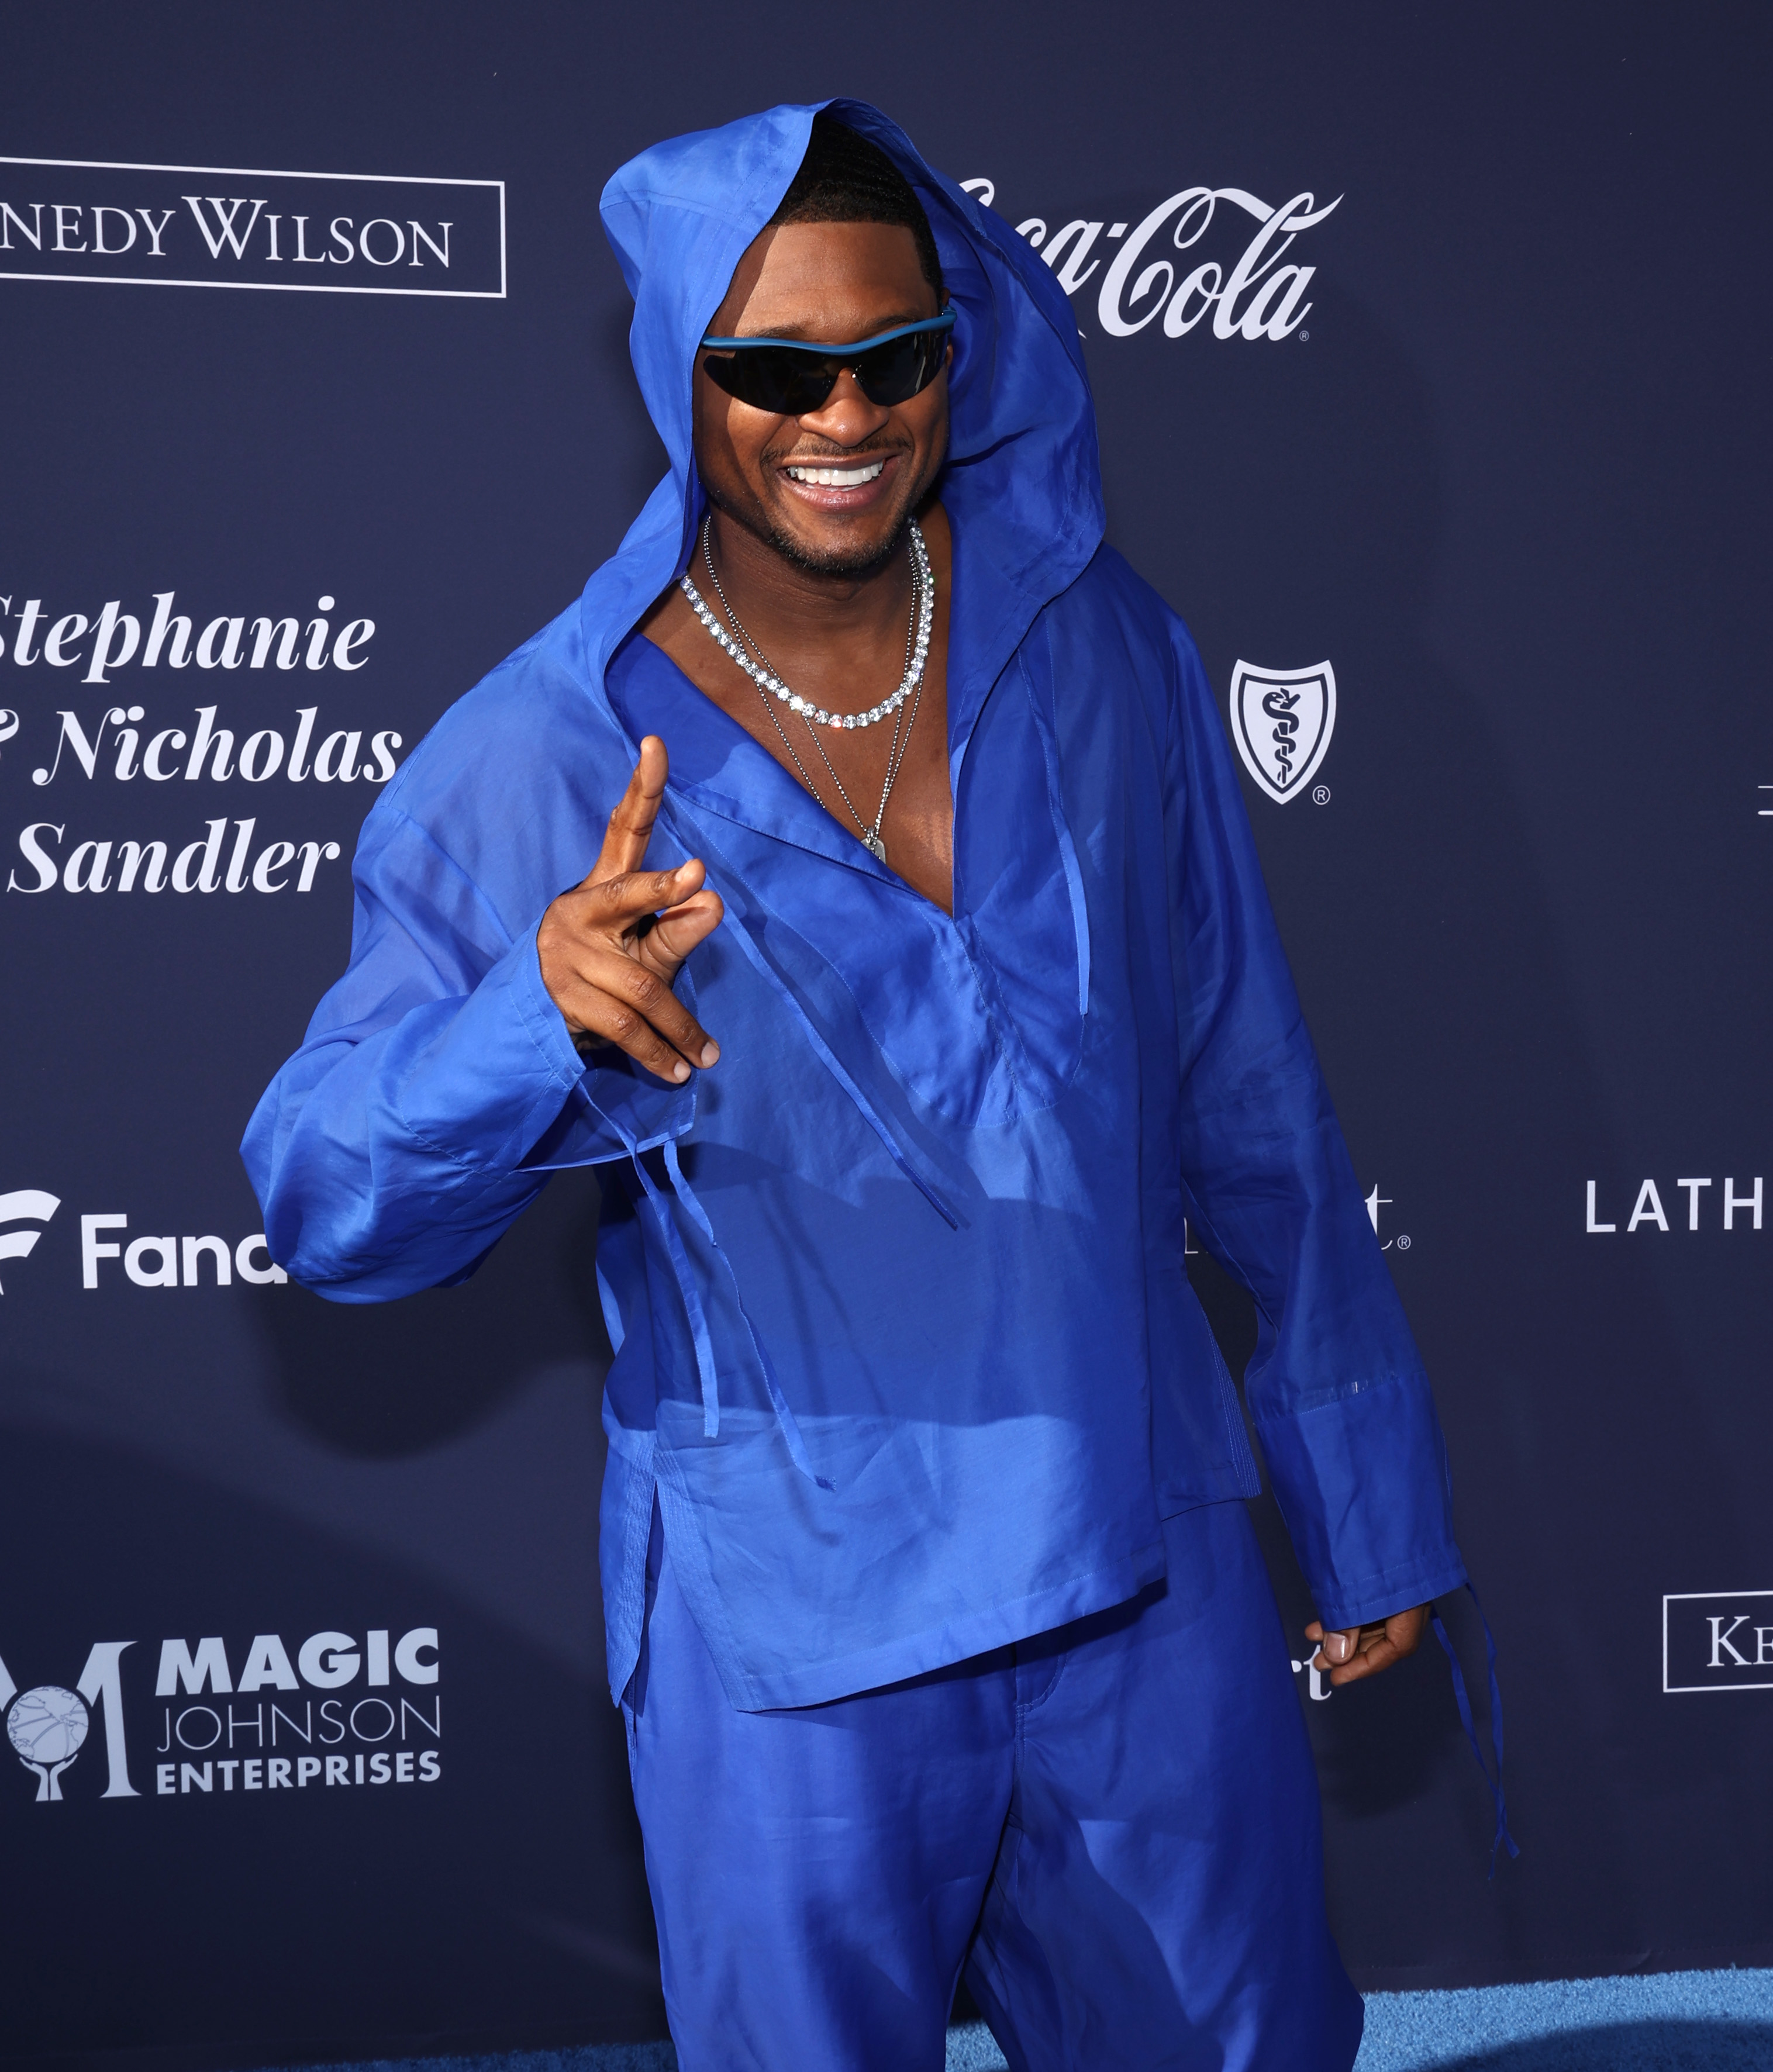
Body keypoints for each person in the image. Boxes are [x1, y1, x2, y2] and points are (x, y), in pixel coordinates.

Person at [246, 103, 1476, 2072]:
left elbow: (1256, 1094)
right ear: (681, 373)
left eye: (897, 354)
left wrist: (1366, 1501)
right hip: (795, 1634)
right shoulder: (546, 745)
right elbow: (322, 1204)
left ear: (955, 351)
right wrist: (523, 1016)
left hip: (1144, 1554)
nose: (848, 411)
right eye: (777, 368)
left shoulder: (1102, 647)